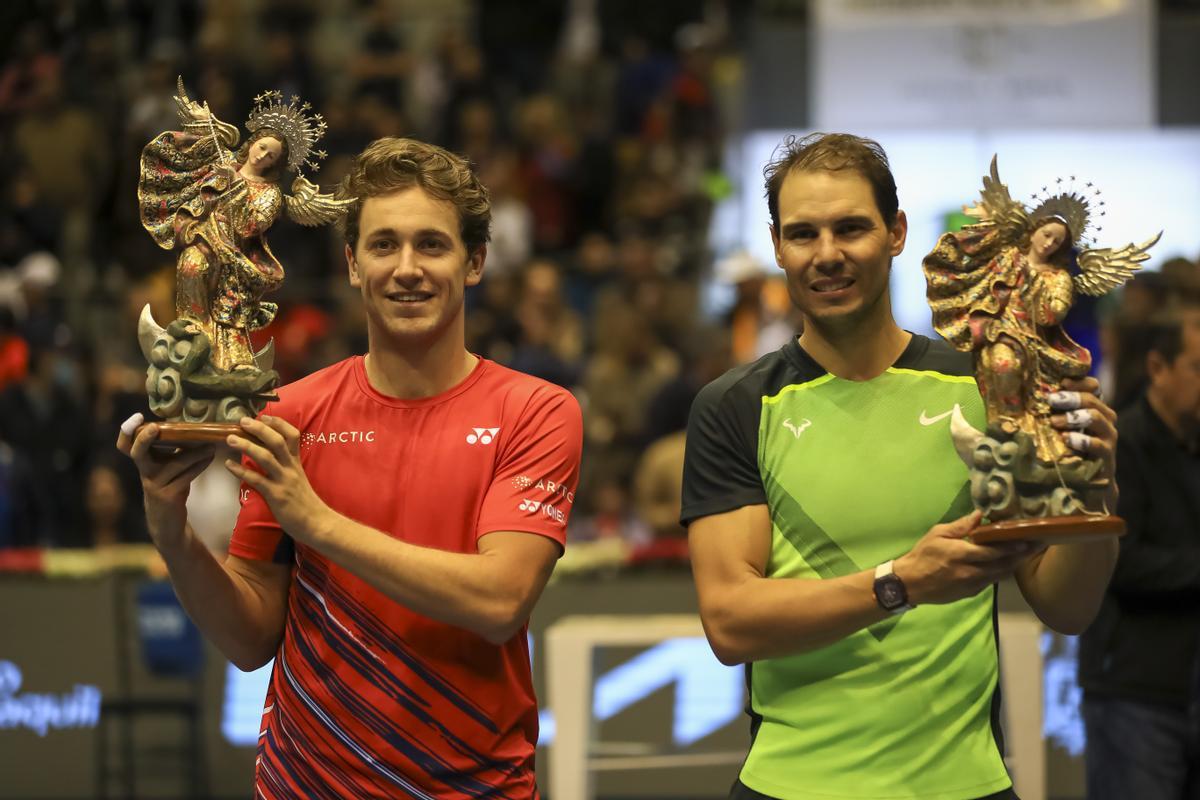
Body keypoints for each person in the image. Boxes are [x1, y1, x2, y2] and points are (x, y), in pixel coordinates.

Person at [118, 137, 583, 799]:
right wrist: (174, 534)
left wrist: (316, 522)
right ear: (352, 265)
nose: (407, 268)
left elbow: (499, 600)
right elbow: (251, 638)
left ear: (475, 261)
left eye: (432, 245)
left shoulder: (535, 411)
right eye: (384, 245)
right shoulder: (290, 411)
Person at [681, 133, 1119, 800]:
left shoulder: (987, 385)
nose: (827, 254)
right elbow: (730, 621)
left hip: (967, 785)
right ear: (777, 247)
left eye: (851, 228)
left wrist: (1096, 487)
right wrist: (901, 582)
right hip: (790, 785)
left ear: (896, 233)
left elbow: (1066, 605)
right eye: (803, 234)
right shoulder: (735, 406)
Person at [1078, 309, 1200, 799]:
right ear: (1157, 368)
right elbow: (1118, 561)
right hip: (1133, 690)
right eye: (1198, 367)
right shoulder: (1118, 445)